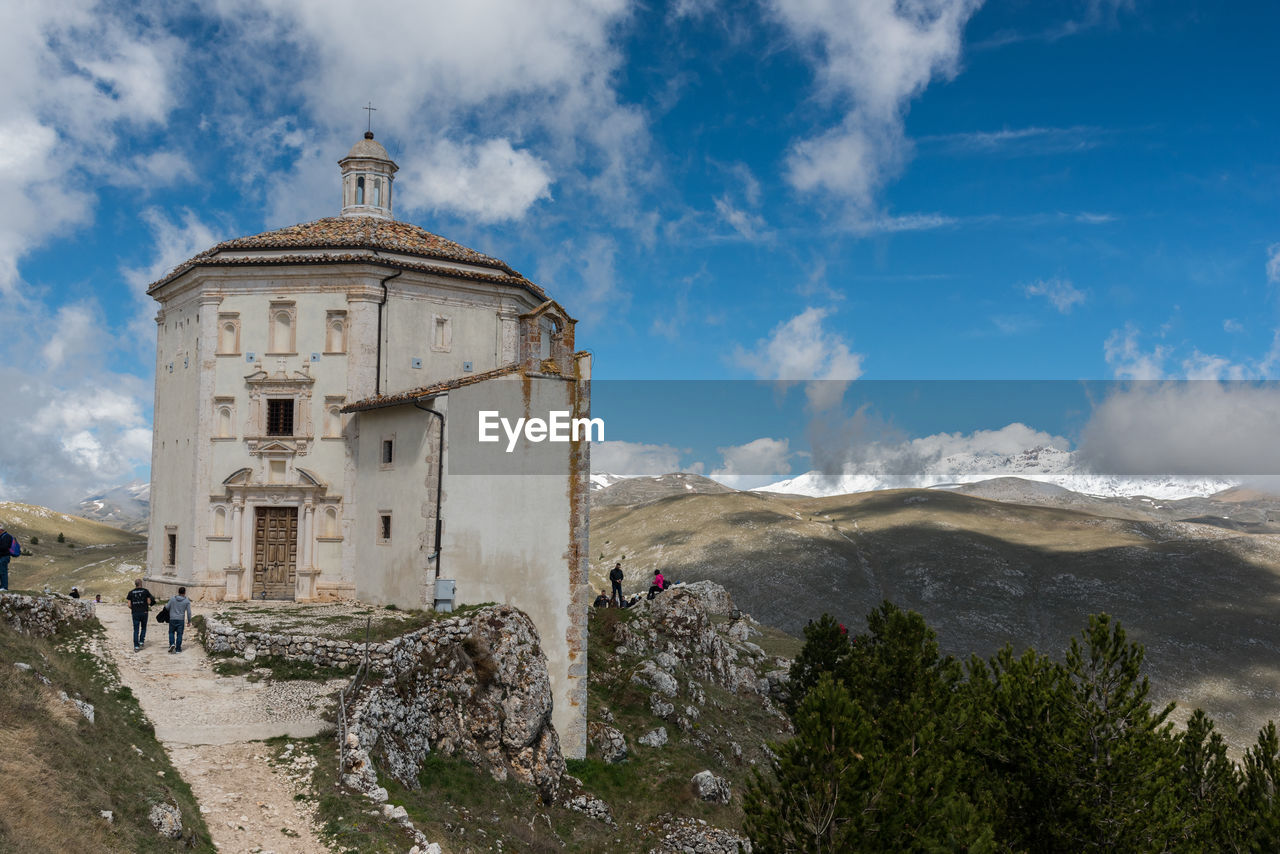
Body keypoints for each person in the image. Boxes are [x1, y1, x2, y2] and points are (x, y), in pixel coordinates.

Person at [125, 579, 156, 650]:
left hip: (135, 613)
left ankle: (136, 646)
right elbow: (148, 602)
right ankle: (141, 641)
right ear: (141, 583)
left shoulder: (131, 592)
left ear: (135, 584)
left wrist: (134, 609)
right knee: (143, 627)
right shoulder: (145, 591)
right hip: (144, 612)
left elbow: (129, 605)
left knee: (136, 629)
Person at [166, 586, 193, 653]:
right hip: (181, 620)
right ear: (184, 592)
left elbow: (167, 607)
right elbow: (189, 612)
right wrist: (189, 621)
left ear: (178, 592)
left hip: (172, 618)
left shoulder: (172, 599)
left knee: (171, 632)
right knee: (179, 634)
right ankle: (178, 649)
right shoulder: (187, 601)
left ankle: (172, 643)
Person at [0, 522, 14, 591]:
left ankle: (4, 587)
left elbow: (4, 547)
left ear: (1, 529)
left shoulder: (6, 536)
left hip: (4, 556)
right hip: (2, 556)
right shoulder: (2, 536)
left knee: (3, 571)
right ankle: (2, 586)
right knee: (1, 571)